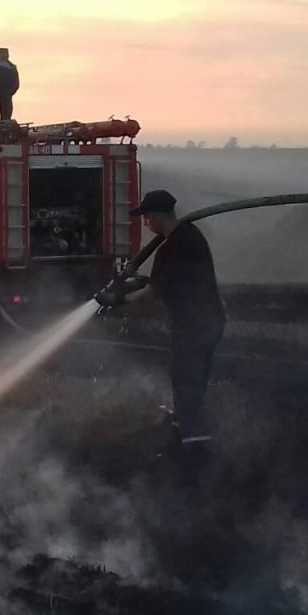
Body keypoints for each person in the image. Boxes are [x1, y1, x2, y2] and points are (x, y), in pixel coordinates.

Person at [96, 189, 226, 474]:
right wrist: (130, 281)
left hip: (195, 324)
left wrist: (118, 300)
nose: (145, 224)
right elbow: (159, 280)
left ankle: (198, 454)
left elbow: (153, 291)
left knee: (185, 384)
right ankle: (185, 438)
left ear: (155, 217)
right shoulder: (189, 236)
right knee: (190, 382)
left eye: (146, 218)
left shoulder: (173, 246)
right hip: (209, 321)